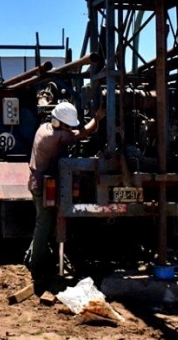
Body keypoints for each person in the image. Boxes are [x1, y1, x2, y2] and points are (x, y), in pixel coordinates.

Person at [25, 101, 104, 282]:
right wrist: (97, 118)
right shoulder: (56, 136)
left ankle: (30, 258)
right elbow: (83, 133)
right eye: (68, 126)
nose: (70, 129)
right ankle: (36, 269)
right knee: (44, 226)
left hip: (37, 183)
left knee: (43, 224)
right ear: (58, 123)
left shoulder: (44, 127)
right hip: (41, 185)